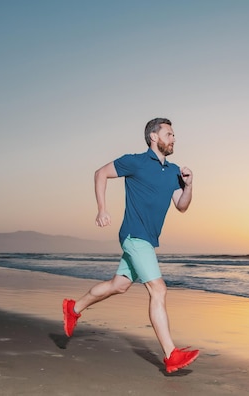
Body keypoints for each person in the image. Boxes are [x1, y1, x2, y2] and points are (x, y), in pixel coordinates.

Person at [62, 117, 199, 374]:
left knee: (119, 285)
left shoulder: (174, 171)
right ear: (154, 137)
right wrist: (102, 209)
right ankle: (171, 354)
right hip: (134, 235)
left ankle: (74, 307)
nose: (174, 138)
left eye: (174, 134)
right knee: (158, 289)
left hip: (147, 239)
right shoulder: (134, 161)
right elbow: (100, 173)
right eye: (169, 134)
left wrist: (189, 185)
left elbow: (181, 205)